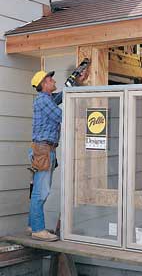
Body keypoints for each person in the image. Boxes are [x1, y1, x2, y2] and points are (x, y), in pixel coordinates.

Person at [28, 70, 62, 241]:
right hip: (44, 150)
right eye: (50, 79)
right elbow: (60, 115)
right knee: (41, 192)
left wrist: (75, 82)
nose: (53, 80)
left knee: (38, 190)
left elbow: (61, 97)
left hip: (44, 149)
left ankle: (32, 225)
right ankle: (38, 229)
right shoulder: (43, 100)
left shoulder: (47, 99)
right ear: (44, 84)